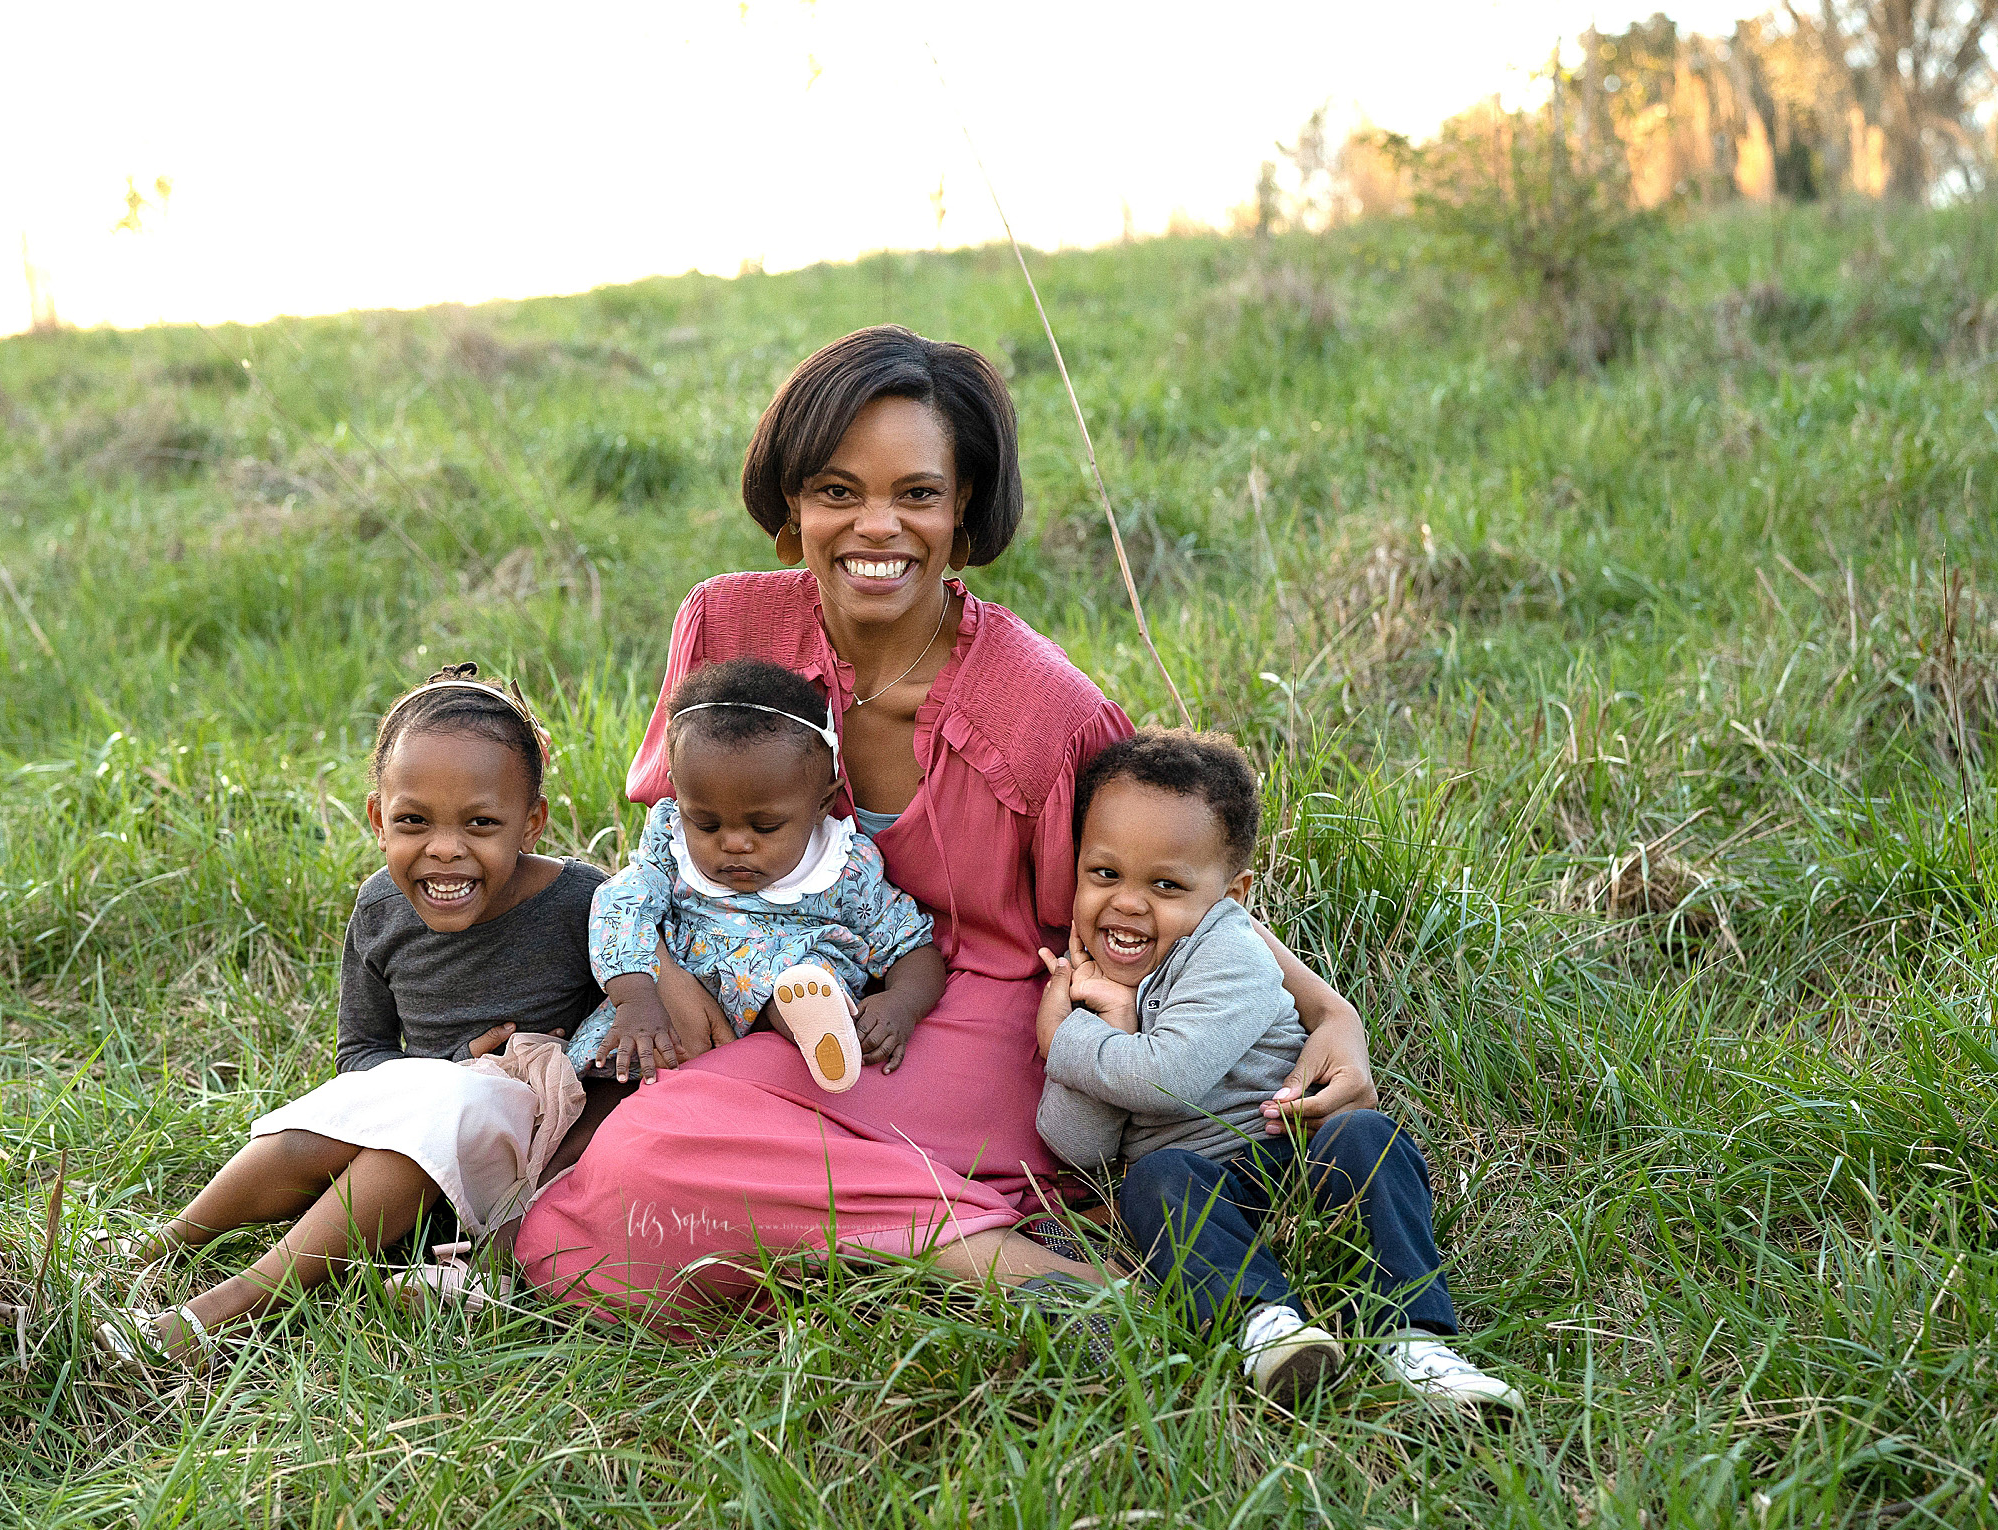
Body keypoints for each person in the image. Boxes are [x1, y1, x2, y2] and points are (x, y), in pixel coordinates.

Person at [514, 325, 1378, 1331]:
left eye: (915, 493)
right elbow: (672, 840)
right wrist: (663, 970)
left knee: (651, 1159)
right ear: (793, 504)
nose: (875, 527)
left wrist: (1329, 1010)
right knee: (621, 1165)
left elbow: (1154, 886)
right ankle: (886, 1231)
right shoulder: (728, 625)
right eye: (837, 491)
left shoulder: (1040, 708)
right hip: (796, 991)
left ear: (961, 507)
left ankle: (1021, 1273)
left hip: (986, 1016)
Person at [97, 666, 604, 1368]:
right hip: (416, 1129)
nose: (446, 849)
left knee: (454, 1103)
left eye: (482, 823)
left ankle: (230, 1307)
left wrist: (497, 1072)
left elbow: (622, 1040)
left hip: (513, 1147)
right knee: (327, 1125)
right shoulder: (381, 909)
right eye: (413, 821)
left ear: (532, 821)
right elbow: (361, 1054)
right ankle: (166, 1240)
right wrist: (448, 1065)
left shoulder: (583, 904)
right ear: (376, 818)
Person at [1039, 728, 1521, 1417]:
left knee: (1366, 1137)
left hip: (1290, 1150)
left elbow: (1162, 1078)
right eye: (1104, 873)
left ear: (1231, 893)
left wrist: (1064, 1037)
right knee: (1155, 1180)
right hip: (1203, 1183)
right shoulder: (1094, 979)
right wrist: (1105, 1023)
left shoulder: (1229, 950)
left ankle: (1416, 1341)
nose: (1128, 903)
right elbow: (1076, 1145)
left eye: (1167, 884)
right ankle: (1268, 1326)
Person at [568, 656, 946, 1097]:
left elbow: (912, 948)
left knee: (800, 981)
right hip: (665, 1011)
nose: (735, 844)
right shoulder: (669, 849)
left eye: (764, 828)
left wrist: (901, 1005)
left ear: (822, 803)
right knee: (609, 1078)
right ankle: (558, 1161)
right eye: (706, 824)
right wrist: (635, 999)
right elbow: (620, 906)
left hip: (790, 990)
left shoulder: (844, 868)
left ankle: (817, 1028)